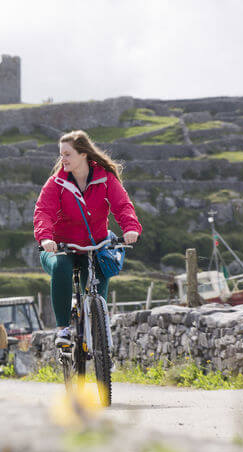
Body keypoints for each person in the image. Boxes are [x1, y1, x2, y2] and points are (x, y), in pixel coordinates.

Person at [34, 130, 142, 347]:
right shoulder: (56, 183)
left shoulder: (105, 179)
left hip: (94, 247)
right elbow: (43, 211)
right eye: (61, 154)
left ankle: (100, 341)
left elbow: (122, 206)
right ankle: (63, 328)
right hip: (60, 247)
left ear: (83, 154)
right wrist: (46, 238)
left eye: (67, 154)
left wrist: (130, 228)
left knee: (97, 290)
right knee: (62, 267)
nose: (61, 159)